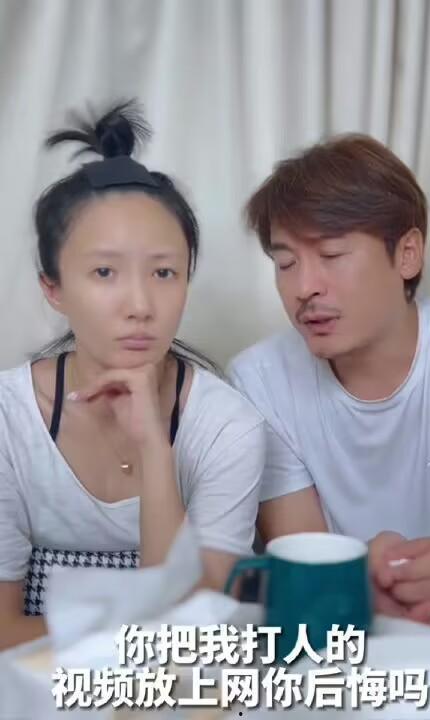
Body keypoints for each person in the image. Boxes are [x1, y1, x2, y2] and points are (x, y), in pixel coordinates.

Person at [0, 100, 265, 650]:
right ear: (53, 288)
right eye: (105, 272)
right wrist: (134, 628)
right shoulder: (8, 418)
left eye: (164, 273)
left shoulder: (227, 426)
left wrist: (154, 449)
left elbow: (193, 631)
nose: (141, 305)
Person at [228, 133, 430, 633]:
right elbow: (305, 559)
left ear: (407, 254)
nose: (304, 288)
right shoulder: (260, 382)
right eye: (285, 263)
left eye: (332, 254)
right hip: (345, 635)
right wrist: (366, 589)